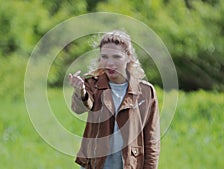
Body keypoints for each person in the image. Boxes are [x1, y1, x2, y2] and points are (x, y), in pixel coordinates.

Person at [68, 30, 160, 169]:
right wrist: (80, 91)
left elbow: (151, 139)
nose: (110, 63)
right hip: (95, 163)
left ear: (128, 57)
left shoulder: (146, 91)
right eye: (104, 56)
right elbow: (79, 108)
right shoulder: (92, 84)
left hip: (129, 164)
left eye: (116, 57)